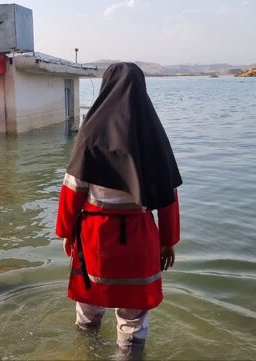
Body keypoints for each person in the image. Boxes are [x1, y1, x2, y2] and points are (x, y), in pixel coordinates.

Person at [55, 62, 182, 351]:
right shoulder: (153, 135)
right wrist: (168, 241)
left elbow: (73, 188)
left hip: (95, 238)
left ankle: (87, 353)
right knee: (133, 318)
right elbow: (168, 196)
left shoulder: (90, 132)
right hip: (139, 238)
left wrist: (66, 232)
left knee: (88, 308)